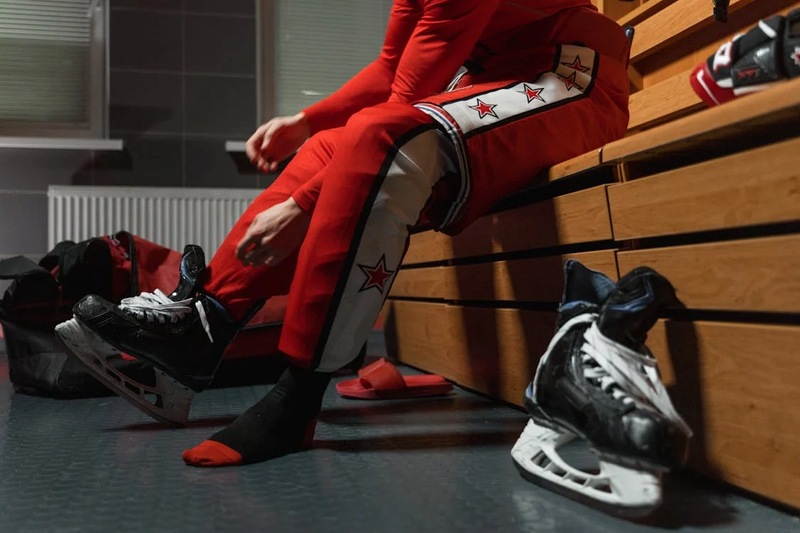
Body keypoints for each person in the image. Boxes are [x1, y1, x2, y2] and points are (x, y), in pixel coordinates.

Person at [56, 0, 631, 467]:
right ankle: (204, 326)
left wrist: (304, 205)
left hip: (568, 75)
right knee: (328, 146)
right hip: (490, 80)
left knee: (384, 139)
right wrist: (305, 123)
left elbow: (400, 106)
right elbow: (390, 69)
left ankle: (298, 397)